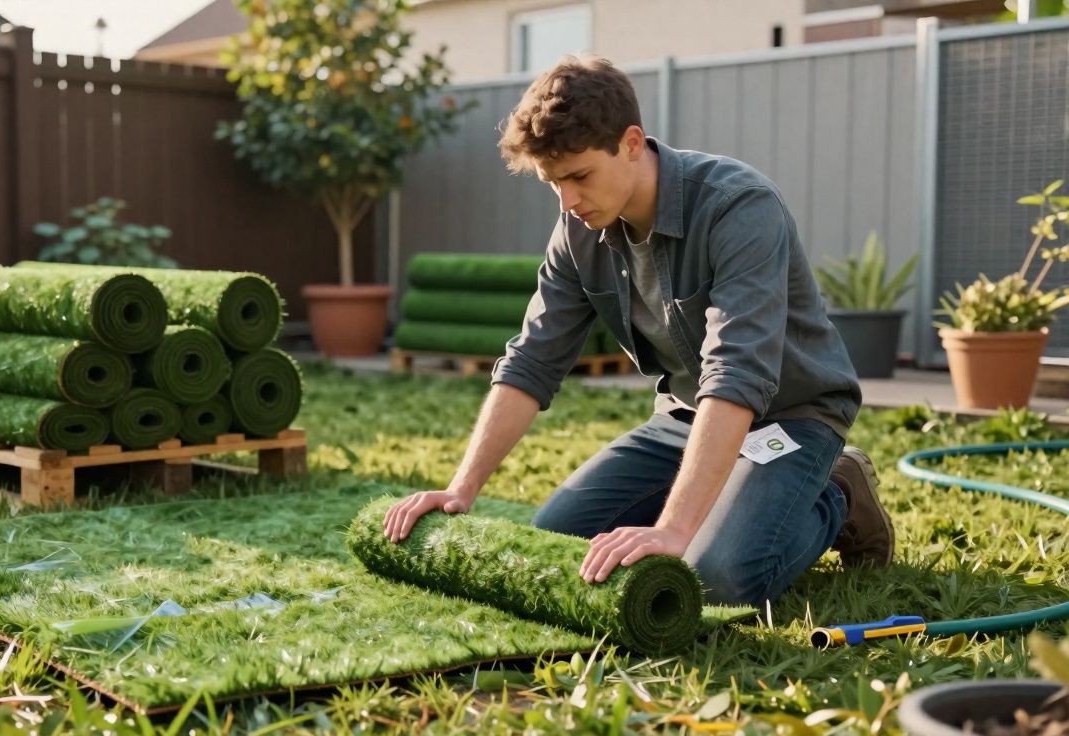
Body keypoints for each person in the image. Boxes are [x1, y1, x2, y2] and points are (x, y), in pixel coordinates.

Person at [381, 55, 894, 607]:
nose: (568, 202)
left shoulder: (738, 206)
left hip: (792, 418)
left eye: (579, 177)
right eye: (553, 184)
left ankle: (837, 490)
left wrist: (674, 529)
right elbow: (532, 360)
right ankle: (708, 504)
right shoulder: (577, 231)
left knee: (714, 578)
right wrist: (463, 488)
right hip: (685, 418)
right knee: (555, 543)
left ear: (630, 143)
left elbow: (737, 371)